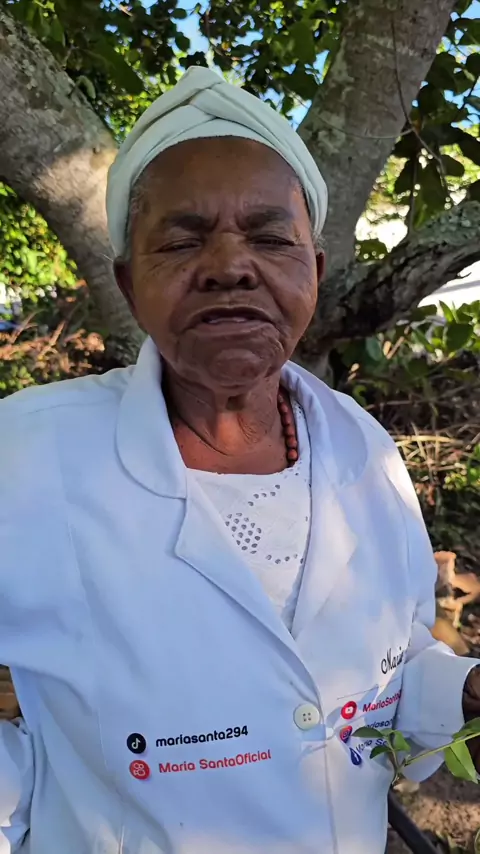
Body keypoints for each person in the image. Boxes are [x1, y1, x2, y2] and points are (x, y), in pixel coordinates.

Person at [0, 66, 479, 854]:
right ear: (129, 283)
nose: (229, 264)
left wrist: (459, 692)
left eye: (268, 236)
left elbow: (387, 658)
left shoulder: (365, 452)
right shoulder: (29, 456)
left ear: (314, 271)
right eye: (182, 240)